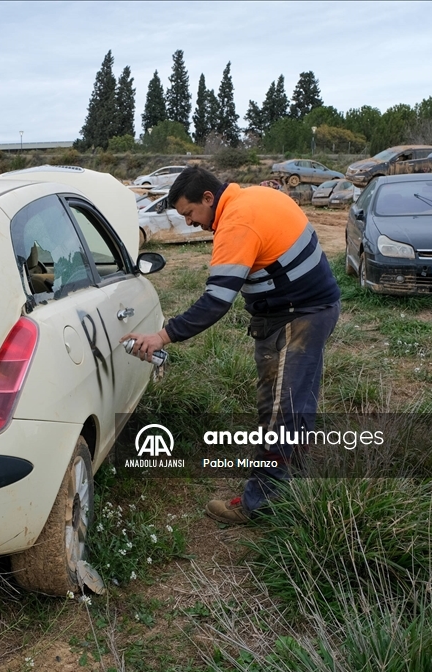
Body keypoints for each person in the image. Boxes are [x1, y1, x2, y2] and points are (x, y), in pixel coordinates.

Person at [122, 166, 340, 524]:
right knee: (292, 406)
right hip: (311, 308)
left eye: (190, 213)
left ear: (209, 198)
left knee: (280, 413)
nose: (191, 223)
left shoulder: (237, 221)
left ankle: (261, 505)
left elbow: (215, 301)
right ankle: (293, 484)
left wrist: (162, 335)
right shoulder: (255, 196)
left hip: (297, 316)